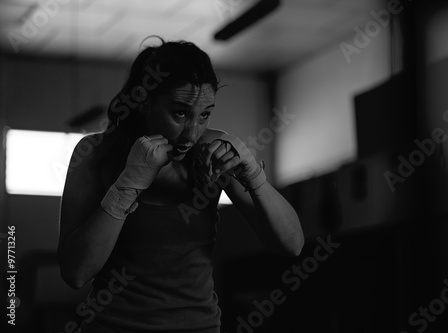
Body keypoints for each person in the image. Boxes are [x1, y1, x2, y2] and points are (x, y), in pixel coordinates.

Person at [57, 38, 304, 333]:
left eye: (204, 115)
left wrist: (254, 176)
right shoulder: (96, 154)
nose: (191, 133)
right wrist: (128, 185)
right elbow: (75, 272)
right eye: (180, 113)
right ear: (144, 99)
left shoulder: (212, 153)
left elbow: (292, 245)